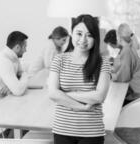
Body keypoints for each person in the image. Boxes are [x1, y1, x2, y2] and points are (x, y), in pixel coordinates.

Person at [47, 14, 111, 144]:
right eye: (79, 33)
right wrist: (82, 107)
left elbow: (99, 97)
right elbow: (53, 94)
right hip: (62, 129)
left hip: (92, 132)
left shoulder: (102, 62)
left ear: (95, 38)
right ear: (71, 33)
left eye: (89, 35)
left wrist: (65, 94)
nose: (83, 40)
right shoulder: (59, 59)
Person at [112, 23, 140, 104]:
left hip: (139, 96)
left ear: (119, 37)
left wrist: (109, 75)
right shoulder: (136, 47)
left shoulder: (127, 50)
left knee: (115, 102)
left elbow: (124, 78)